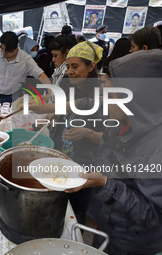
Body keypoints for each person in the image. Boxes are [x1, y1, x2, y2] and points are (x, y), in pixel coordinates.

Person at [66, 48, 162, 255]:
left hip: (133, 244)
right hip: (108, 225)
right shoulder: (123, 123)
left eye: (110, 87)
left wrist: (104, 184)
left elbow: (155, 219)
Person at [30, 41, 104, 224]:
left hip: (86, 167)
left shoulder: (102, 96)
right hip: (64, 158)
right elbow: (62, 109)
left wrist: (88, 134)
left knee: (76, 213)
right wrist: (49, 116)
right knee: (57, 205)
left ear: (91, 66)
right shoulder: (71, 88)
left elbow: (111, 140)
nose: (70, 71)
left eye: (75, 66)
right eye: (68, 66)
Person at [0, 31, 50, 104]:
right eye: (2, 48)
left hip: (12, 96)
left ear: (16, 48)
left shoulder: (25, 59)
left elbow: (41, 75)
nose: (3, 52)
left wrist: (51, 92)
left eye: (8, 51)